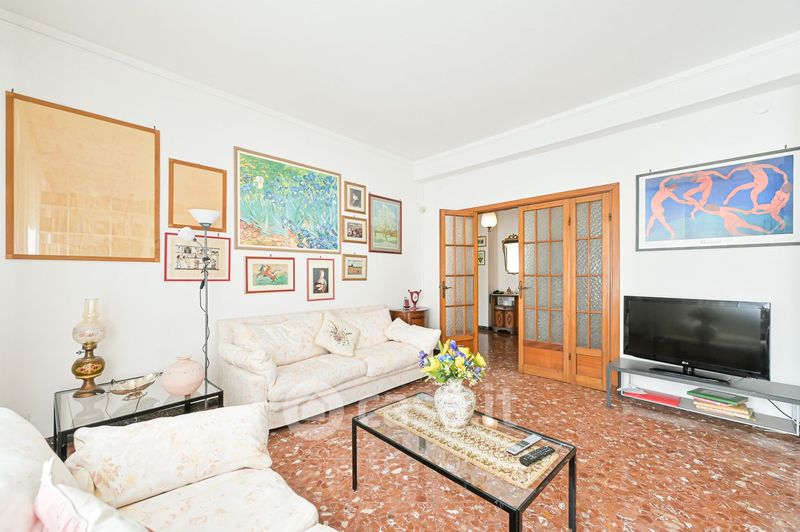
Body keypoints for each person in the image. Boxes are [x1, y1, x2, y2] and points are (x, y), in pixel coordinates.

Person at [723, 161, 789, 209]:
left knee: (753, 193)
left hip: (763, 183)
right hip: (756, 182)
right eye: (746, 165)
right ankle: (726, 200)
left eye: (748, 164)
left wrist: (783, 173)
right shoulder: (747, 167)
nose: (747, 166)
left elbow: (772, 167)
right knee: (738, 188)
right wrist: (729, 175)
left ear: (751, 163)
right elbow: (735, 169)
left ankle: (755, 206)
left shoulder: (758, 166)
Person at [702, 203, 769, 236]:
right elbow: (734, 209)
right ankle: (766, 232)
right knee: (748, 226)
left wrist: (744, 212)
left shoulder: (716, 210)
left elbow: (733, 209)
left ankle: (752, 236)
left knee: (734, 232)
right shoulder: (720, 208)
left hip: (729, 219)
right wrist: (744, 212)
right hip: (733, 217)